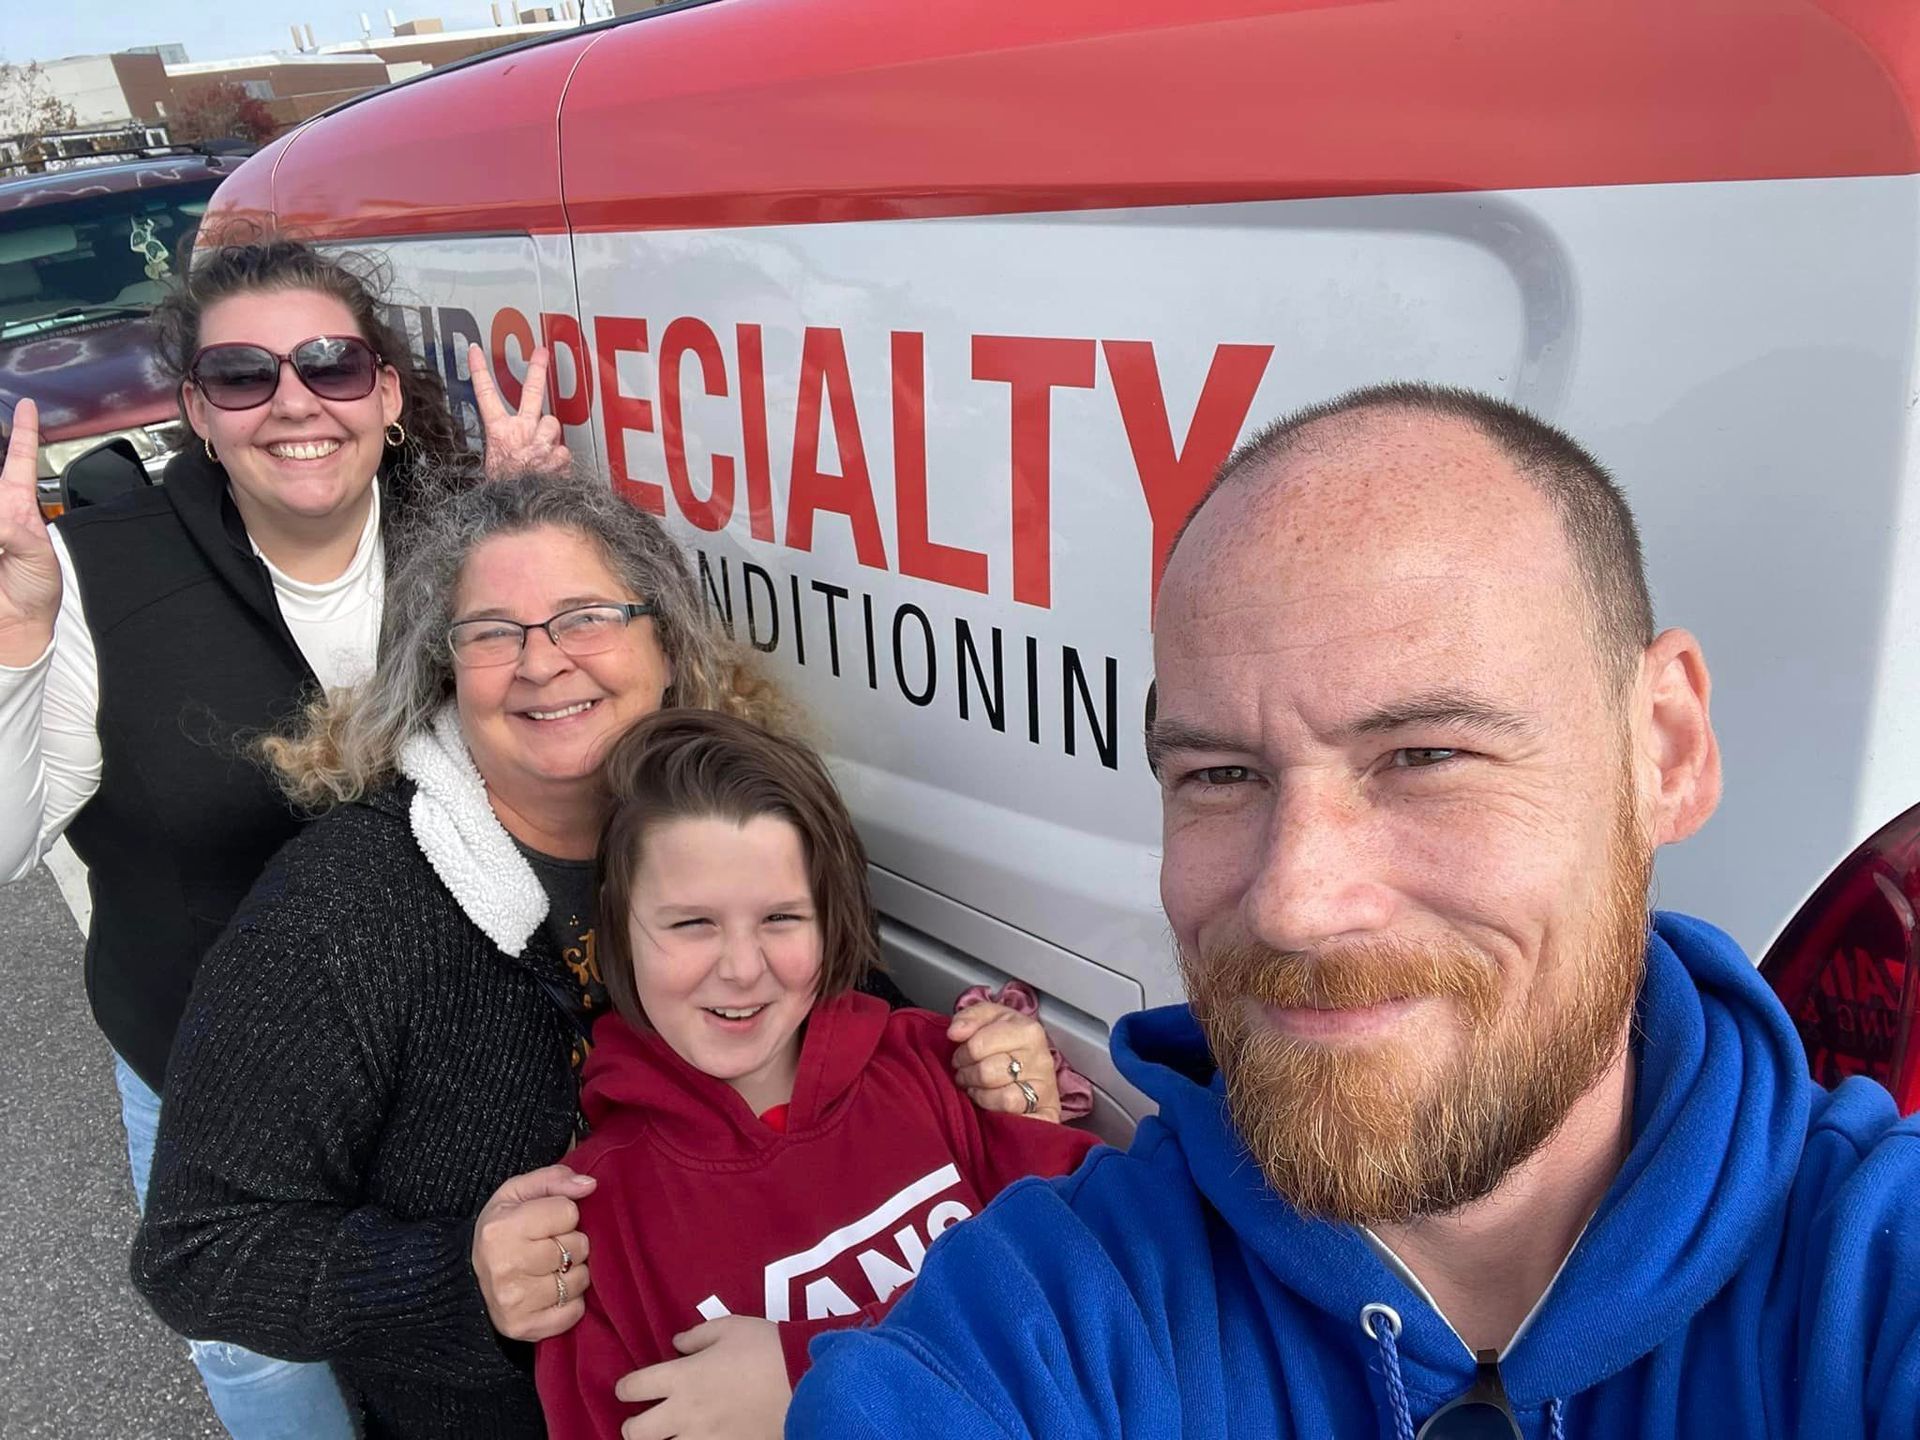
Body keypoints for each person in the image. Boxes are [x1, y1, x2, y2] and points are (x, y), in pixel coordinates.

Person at [789, 384, 1920, 1439]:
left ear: (1664, 749)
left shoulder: (1873, 1277)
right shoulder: (1039, 1324)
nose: (1293, 903)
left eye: (1426, 754)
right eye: (1221, 776)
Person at [128, 467, 1065, 1440]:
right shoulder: (342, 914)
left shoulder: (735, 814)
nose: (543, 663)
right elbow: (196, 1249)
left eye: (587, 616)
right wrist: (458, 1281)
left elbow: (851, 1017)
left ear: (664, 641)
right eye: (493, 631)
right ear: (444, 667)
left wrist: (987, 1069)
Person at [0, 237, 566, 1439]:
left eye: (331, 363)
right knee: (266, 1362)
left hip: (445, 1070)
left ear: (389, 393)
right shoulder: (94, 579)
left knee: (461, 1334)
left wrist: (537, 523)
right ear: (200, 413)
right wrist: (15, 647)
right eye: (247, 375)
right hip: (206, 1074)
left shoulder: (460, 540)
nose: (296, 401)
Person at [533, 710, 1099, 1440]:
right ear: (620, 934)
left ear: (831, 921)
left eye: (780, 919)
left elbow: (1107, 1290)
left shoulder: (942, 1069)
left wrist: (813, 1376)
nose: (740, 968)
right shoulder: (600, 1225)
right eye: (690, 924)